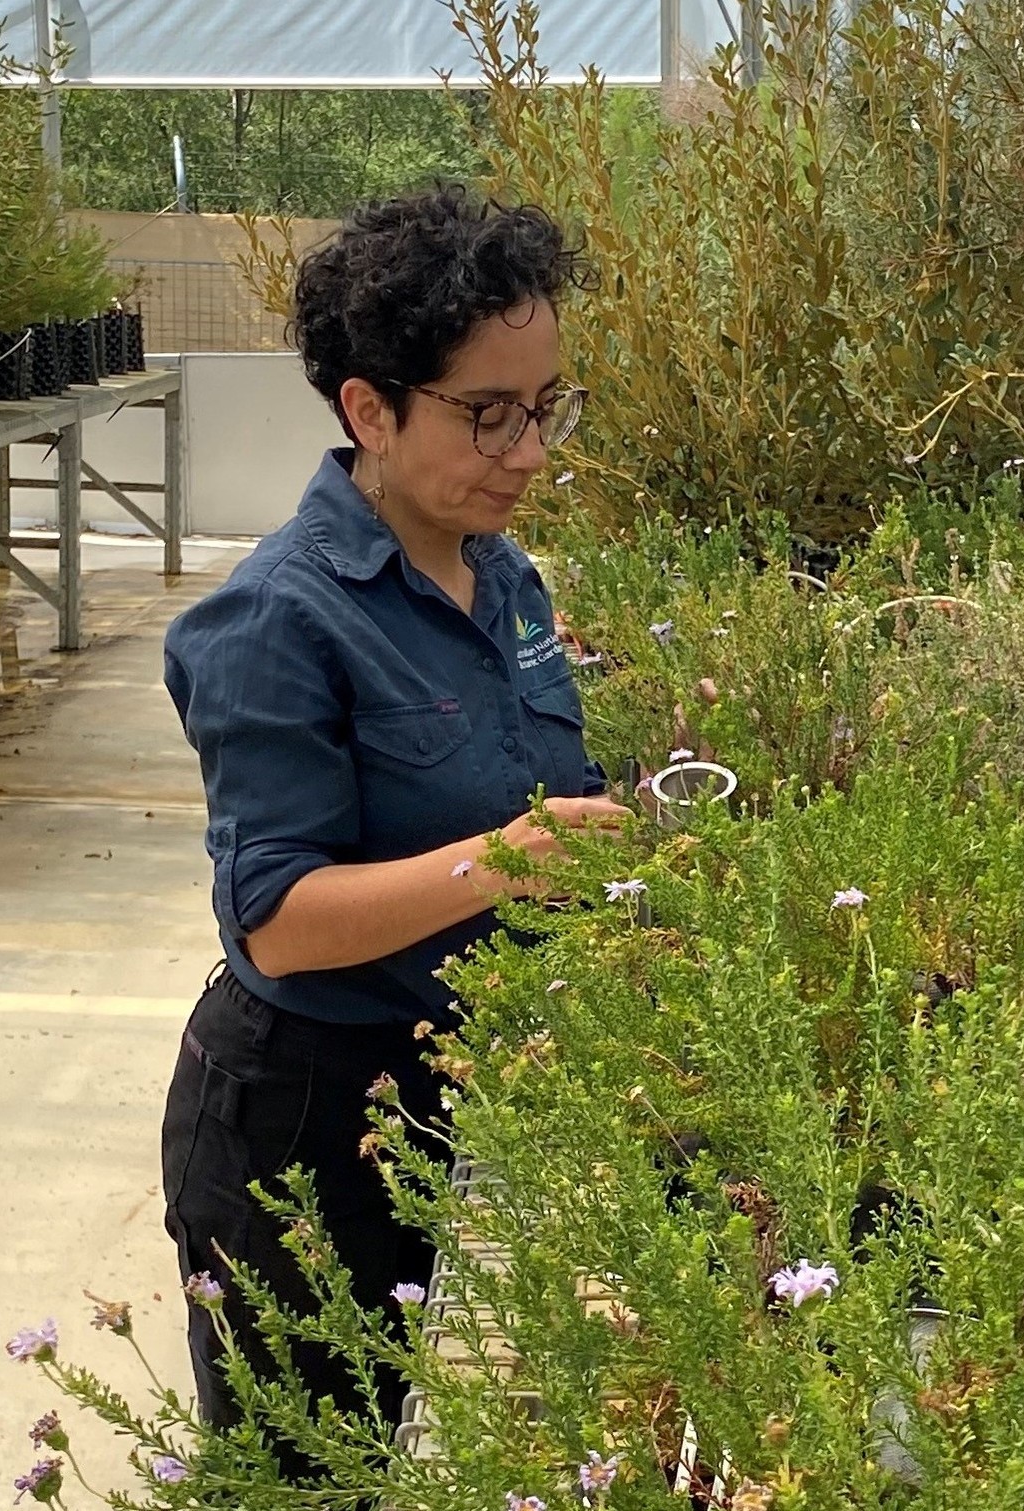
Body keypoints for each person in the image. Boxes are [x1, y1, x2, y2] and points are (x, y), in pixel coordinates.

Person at [158, 185, 629, 1446]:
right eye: (487, 415)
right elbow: (278, 923)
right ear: (368, 407)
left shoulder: (501, 575)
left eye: (545, 408)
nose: (529, 450)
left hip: (447, 1092)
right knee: (315, 1464)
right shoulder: (276, 618)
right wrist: (507, 860)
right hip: (305, 1129)